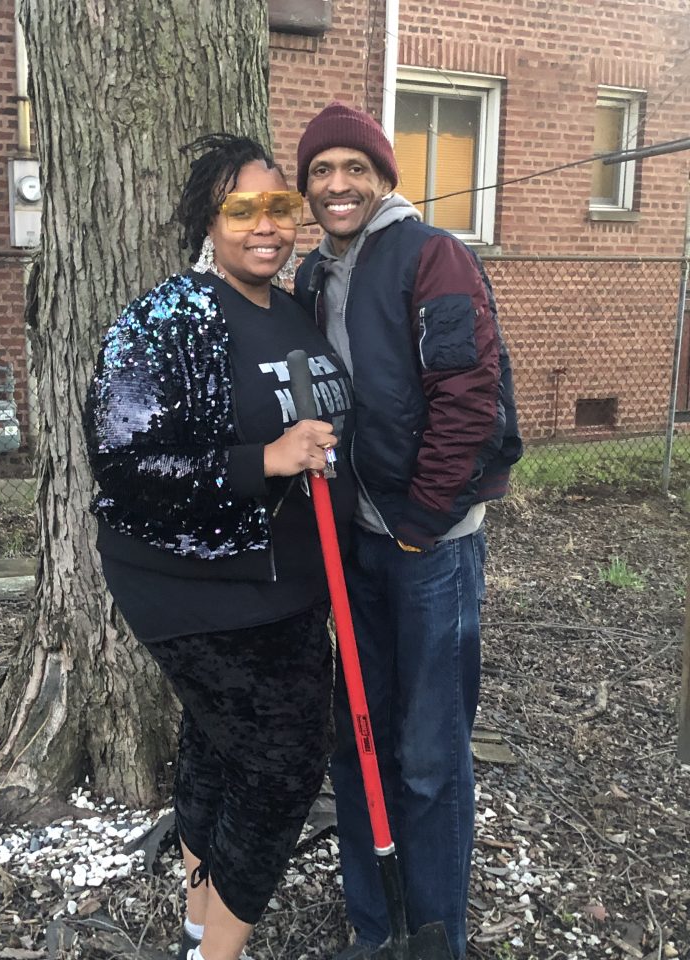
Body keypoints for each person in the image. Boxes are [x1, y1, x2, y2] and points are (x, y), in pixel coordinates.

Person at [83, 133, 355, 960]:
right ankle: (218, 955)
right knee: (282, 768)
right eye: (244, 210)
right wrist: (265, 459)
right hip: (199, 585)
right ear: (211, 219)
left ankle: (200, 919)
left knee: (217, 743)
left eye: (281, 207)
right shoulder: (172, 316)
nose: (267, 225)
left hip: (288, 583)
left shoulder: (294, 306)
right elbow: (121, 460)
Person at [293, 102, 522, 960]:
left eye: (355, 167)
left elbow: (469, 400)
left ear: (385, 179)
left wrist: (423, 523)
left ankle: (435, 937)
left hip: (430, 547)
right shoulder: (318, 275)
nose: (338, 184)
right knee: (359, 741)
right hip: (352, 543)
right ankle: (374, 926)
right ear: (310, 188)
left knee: (428, 757)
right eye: (322, 171)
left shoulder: (436, 258)